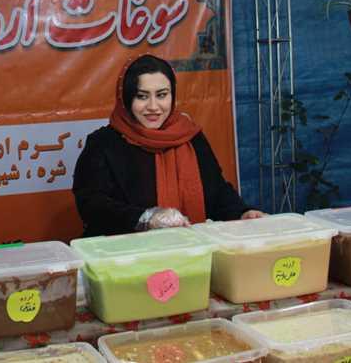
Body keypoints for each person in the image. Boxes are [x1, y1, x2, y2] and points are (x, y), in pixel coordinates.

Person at [73, 54, 264, 236]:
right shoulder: (103, 144)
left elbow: (217, 192)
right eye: (142, 96)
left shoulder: (190, 136)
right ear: (125, 98)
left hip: (188, 249)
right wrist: (146, 218)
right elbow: (92, 205)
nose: (153, 106)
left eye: (162, 95)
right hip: (125, 253)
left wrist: (242, 212)